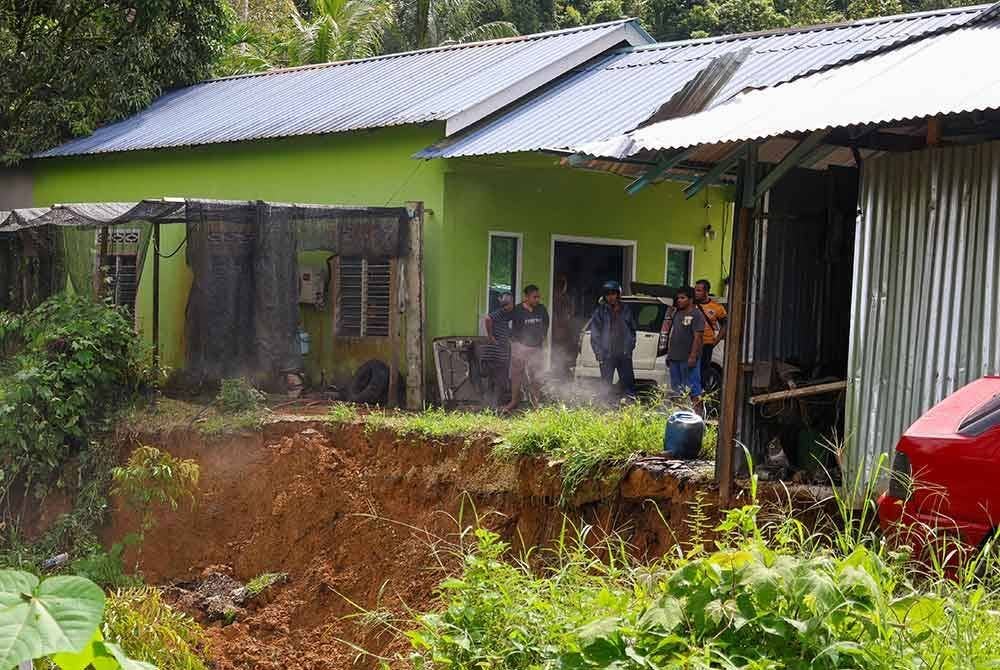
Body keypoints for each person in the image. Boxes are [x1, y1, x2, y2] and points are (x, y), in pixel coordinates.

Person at [503, 285, 549, 413]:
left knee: (536, 376)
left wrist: (542, 341)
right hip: (520, 348)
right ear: (526, 297)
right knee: (516, 376)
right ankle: (514, 401)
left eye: (538, 297)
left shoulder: (541, 309)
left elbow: (546, 324)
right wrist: (513, 342)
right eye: (535, 297)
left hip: (536, 348)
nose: (537, 299)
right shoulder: (517, 310)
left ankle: (536, 404)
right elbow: (504, 322)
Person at [589, 280, 636, 400]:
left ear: (618, 294)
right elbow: (595, 334)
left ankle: (629, 406)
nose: (610, 297)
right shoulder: (600, 312)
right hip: (607, 355)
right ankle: (606, 407)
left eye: (613, 294)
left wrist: (629, 348)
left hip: (624, 354)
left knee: (628, 385)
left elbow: (632, 331)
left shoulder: (626, 310)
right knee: (606, 387)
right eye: (607, 294)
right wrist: (599, 353)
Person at [665, 285, 705, 414]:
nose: (679, 300)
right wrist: (669, 355)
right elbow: (673, 334)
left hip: (688, 359)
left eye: (683, 298)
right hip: (675, 358)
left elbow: (698, 337)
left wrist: (693, 356)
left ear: (691, 299)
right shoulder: (677, 313)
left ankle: (699, 416)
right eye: (678, 298)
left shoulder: (697, 314)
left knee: (693, 389)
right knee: (677, 390)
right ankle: (680, 416)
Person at [694, 279, 727, 390]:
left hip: (706, 344)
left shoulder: (717, 307)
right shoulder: (691, 305)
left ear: (706, 292)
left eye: (699, 290)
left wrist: (716, 340)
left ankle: (702, 392)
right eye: (695, 290)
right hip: (691, 343)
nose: (696, 293)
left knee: (703, 370)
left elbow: (725, 324)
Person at [483, 292, 515, 407]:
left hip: (495, 354)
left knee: (493, 381)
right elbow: (487, 318)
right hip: (496, 354)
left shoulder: (505, 315)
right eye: (512, 303)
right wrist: (490, 336)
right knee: (499, 381)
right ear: (508, 304)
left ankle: (489, 405)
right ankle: (495, 406)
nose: (513, 305)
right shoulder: (501, 313)